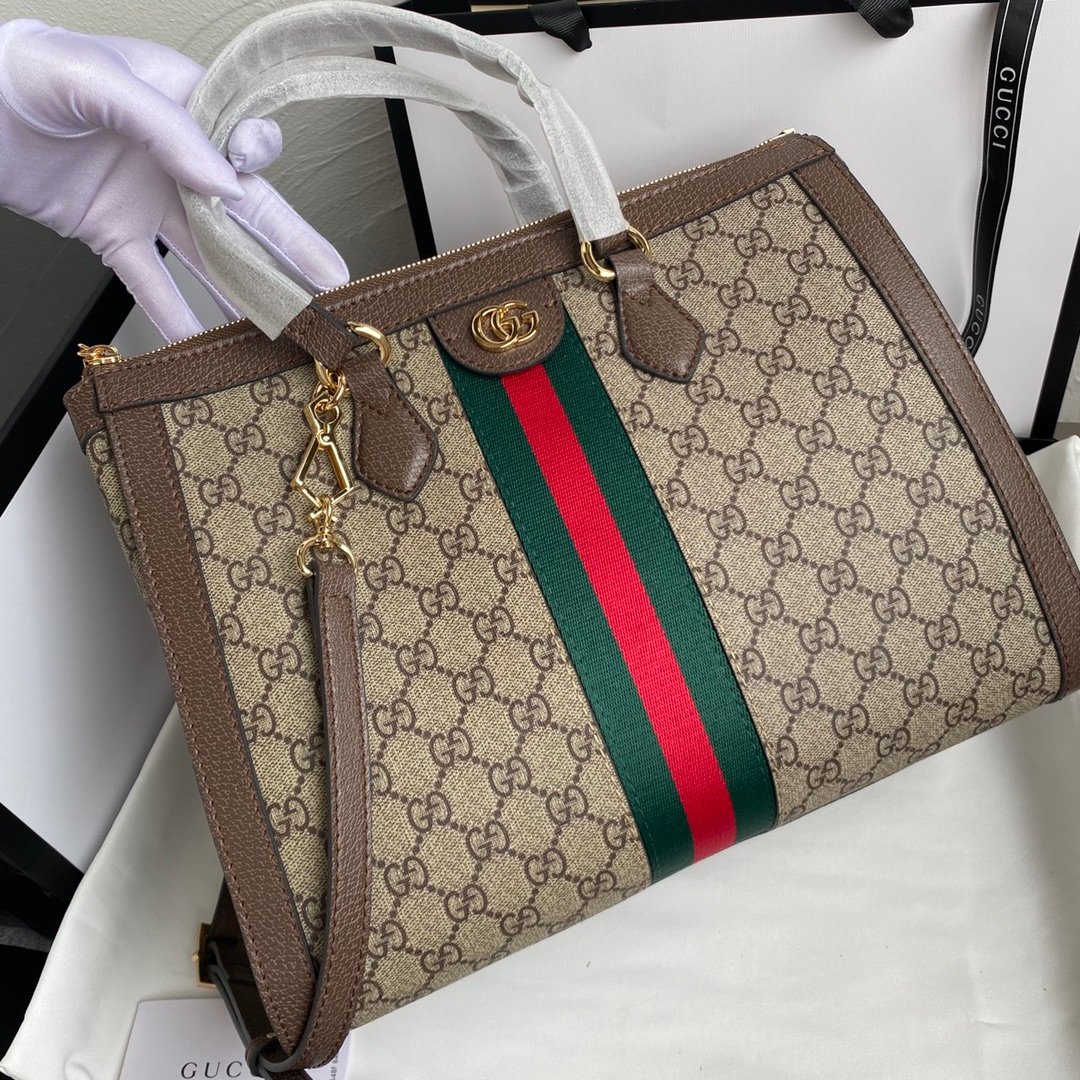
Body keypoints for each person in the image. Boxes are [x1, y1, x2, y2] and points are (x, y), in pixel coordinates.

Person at [0, 18, 349, 343]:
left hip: (185, 110)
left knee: (307, 296)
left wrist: (200, 157)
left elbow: (154, 120)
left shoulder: (29, 66)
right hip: (117, 197)